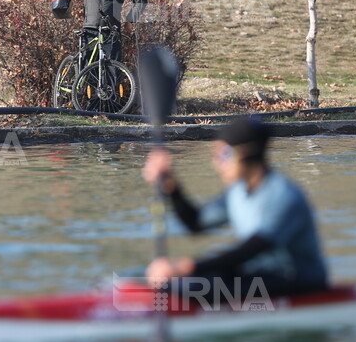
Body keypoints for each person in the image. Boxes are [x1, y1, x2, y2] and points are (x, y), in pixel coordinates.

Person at [141, 115, 330, 300]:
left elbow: (252, 249)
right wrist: (171, 187)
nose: (217, 163)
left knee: (197, 286)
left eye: (223, 154)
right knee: (185, 283)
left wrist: (187, 267)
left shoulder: (284, 195)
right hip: (259, 274)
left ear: (245, 151)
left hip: (300, 282)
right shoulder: (236, 192)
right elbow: (196, 223)